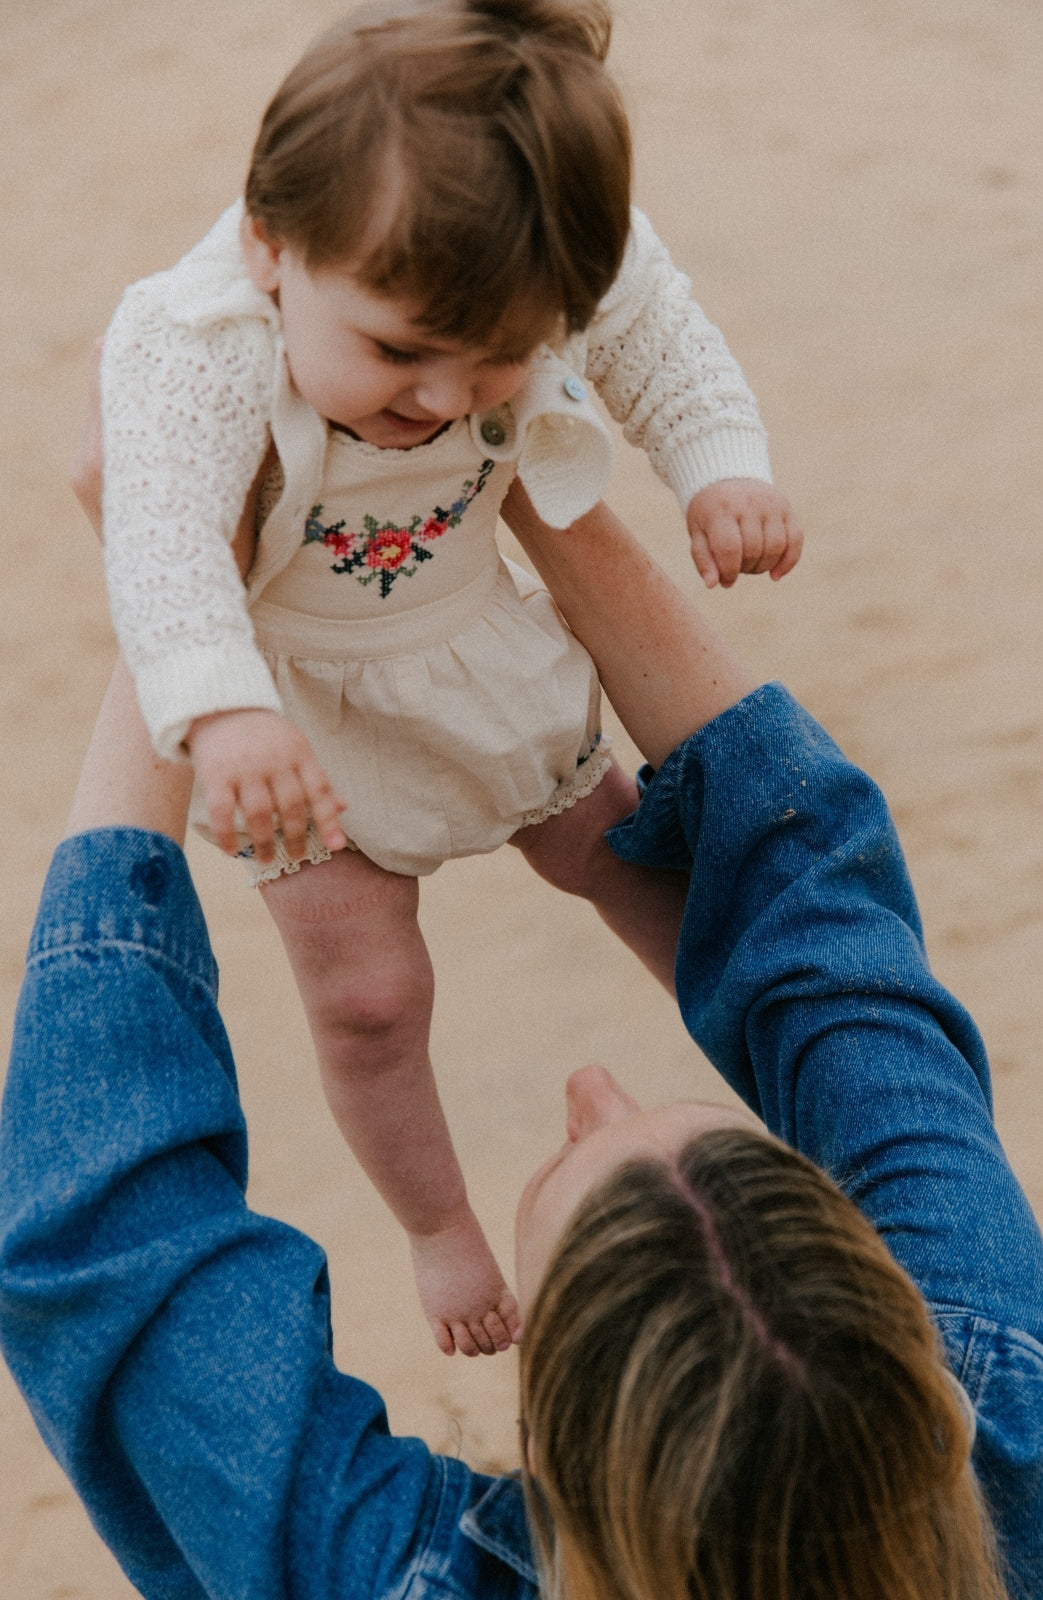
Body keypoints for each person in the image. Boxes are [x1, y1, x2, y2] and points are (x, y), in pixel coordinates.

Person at [0, 492, 1043, 1599]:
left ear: (545, 1456)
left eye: (571, 1161)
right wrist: (519, 469)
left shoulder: (1016, 1438)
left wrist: (182, 579)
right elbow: (826, 944)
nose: (595, 1090)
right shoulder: (1003, 1446)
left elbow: (103, 1237)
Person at [98, 0, 802, 1357]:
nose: (437, 397)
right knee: (367, 995)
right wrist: (222, 704)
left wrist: (722, 463)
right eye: (399, 351)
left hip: (475, 636)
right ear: (269, 245)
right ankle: (438, 1228)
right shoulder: (194, 343)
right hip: (296, 699)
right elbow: (160, 530)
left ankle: (790, 1087)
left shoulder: (532, 261)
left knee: (638, 867)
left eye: (496, 361)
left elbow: (656, 335)